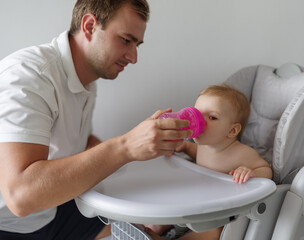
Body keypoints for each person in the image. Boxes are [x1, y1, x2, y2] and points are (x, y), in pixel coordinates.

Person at [0, 0, 192, 239]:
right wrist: (125, 147)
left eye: (137, 44)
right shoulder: (29, 75)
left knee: (145, 230)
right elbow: (20, 196)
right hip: (9, 223)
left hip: (52, 210)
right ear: (90, 26)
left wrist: (142, 148)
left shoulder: (86, 81)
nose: (133, 57)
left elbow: (79, 145)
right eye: (125, 40)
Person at [145, 84, 273, 240]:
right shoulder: (203, 146)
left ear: (232, 131)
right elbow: (196, 152)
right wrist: (184, 146)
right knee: (163, 214)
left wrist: (251, 172)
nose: (200, 121)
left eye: (212, 117)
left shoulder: (242, 153)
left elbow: (266, 169)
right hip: (194, 202)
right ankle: (152, 230)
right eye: (197, 114)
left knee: (213, 233)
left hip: (218, 214)